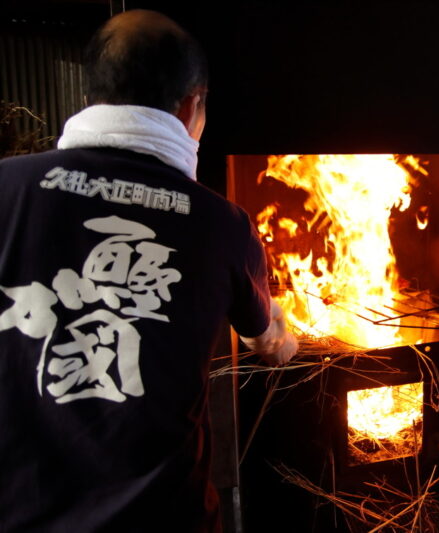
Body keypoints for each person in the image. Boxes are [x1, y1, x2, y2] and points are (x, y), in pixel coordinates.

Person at [0, 9, 296, 533]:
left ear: (89, 98)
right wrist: (279, 321)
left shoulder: (7, 188)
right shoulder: (220, 223)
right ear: (192, 106)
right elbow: (267, 343)